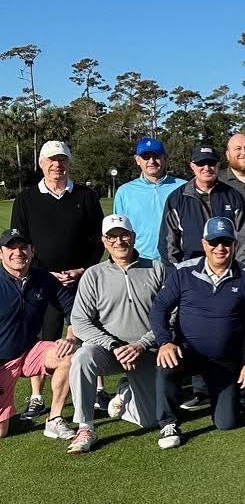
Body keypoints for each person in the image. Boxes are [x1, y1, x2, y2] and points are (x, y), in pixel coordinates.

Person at [149, 217, 245, 449]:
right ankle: (169, 423)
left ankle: (223, 398)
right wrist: (164, 342)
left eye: (226, 242)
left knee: (227, 423)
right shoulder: (184, 272)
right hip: (188, 353)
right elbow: (159, 309)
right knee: (166, 363)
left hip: (224, 361)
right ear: (204, 244)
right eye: (214, 242)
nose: (220, 248)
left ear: (234, 244)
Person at [10, 140, 104, 420]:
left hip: (81, 279)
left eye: (62, 159)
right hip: (42, 280)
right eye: (51, 159)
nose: (57, 164)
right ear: (41, 164)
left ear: (68, 163)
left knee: (89, 333)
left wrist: (84, 269)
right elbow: (21, 240)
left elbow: (98, 239)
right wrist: (40, 271)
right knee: (43, 338)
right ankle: (38, 397)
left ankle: (97, 389)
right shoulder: (26, 199)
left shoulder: (85, 195)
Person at [64, 215, 163, 454]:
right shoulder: (93, 275)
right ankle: (85, 426)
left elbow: (171, 314)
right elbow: (79, 321)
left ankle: (125, 392)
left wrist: (142, 343)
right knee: (82, 357)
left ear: (133, 237)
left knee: (150, 421)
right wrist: (113, 345)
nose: (119, 241)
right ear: (104, 241)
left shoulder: (157, 268)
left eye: (124, 235)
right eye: (112, 236)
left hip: (146, 350)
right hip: (109, 351)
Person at [0, 228, 76, 441]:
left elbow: (72, 308)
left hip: (29, 350)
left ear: (32, 251)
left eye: (23, 247)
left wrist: (70, 336)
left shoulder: (43, 278)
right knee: (1, 432)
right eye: (11, 248)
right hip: (2, 361)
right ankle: (9, 417)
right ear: (0, 253)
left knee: (69, 355)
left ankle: (54, 419)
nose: (18, 253)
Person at [160, 145, 245, 269]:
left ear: (218, 166)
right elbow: (167, 242)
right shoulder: (176, 199)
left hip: (228, 269)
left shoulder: (233, 196)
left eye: (211, 163)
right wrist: (178, 273)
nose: (207, 168)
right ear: (192, 166)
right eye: (201, 164)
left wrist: (241, 270)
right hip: (191, 272)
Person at [113, 136, 186, 262]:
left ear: (165, 158)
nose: (151, 161)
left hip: (178, 260)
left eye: (156, 156)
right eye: (146, 157)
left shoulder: (184, 187)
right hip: (140, 262)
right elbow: (119, 231)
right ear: (137, 160)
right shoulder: (125, 192)